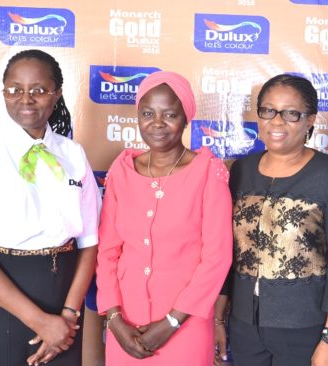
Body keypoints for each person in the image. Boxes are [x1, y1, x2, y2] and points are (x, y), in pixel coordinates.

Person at [0, 49, 100, 366]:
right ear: (4, 93)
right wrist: (41, 323)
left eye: (38, 90)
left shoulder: (73, 155)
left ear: (56, 94)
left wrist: (67, 315)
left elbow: (89, 242)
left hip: (64, 304)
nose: (26, 99)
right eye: (15, 89)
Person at [218, 74, 328, 366]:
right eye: (268, 110)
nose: (277, 121)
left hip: (309, 330)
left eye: (291, 114)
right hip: (245, 327)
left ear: (310, 120)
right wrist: (218, 320)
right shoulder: (240, 171)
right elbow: (225, 252)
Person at [95, 70, 233, 365]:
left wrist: (172, 321)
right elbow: (107, 251)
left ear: (186, 118)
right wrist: (114, 317)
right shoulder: (122, 170)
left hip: (187, 322)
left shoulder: (208, 172)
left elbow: (217, 258)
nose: (157, 124)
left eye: (169, 114)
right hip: (126, 326)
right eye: (147, 113)